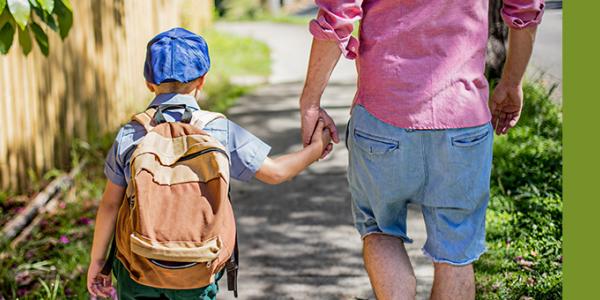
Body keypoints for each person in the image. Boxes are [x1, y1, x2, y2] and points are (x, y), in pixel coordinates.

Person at [299, 1, 544, 299]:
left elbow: (338, 11)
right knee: (456, 250)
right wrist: (511, 82)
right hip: (462, 121)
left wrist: (311, 101)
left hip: (381, 119)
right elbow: (526, 7)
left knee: (380, 229)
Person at [86, 27, 331, 300]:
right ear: (202, 80)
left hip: (137, 267)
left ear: (148, 83)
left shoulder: (132, 133)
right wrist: (316, 148)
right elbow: (276, 173)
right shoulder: (218, 130)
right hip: (197, 270)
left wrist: (98, 263)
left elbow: (110, 205)